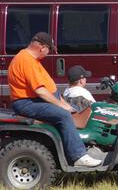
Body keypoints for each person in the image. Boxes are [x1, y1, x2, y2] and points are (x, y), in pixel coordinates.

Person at [7, 32, 101, 167]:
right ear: (42, 47)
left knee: (70, 111)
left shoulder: (31, 60)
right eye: (49, 49)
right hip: (26, 102)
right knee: (63, 115)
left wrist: (65, 104)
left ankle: (76, 148)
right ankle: (78, 155)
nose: (48, 53)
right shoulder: (26, 61)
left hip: (32, 100)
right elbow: (40, 91)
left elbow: (49, 89)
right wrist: (62, 106)